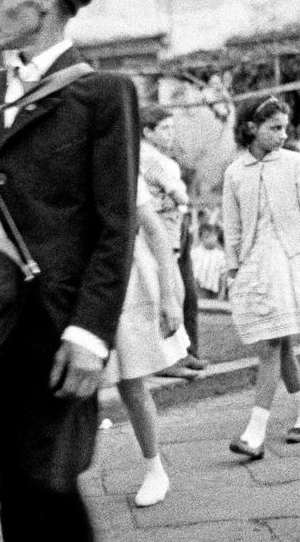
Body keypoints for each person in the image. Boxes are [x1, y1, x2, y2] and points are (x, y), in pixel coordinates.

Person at [0, 0, 139, 541]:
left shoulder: (101, 94)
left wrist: (92, 334)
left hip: (60, 332)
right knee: (17, 486)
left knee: (49, 482)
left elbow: (117, 226)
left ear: (43, 1)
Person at [223, 97, 300, 461]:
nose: (282, 135)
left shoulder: (296, 165)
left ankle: (254, 432)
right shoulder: (235, 172)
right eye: (273, 128)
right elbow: (232, 228)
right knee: (274, 344)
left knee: (272, 346)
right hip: (255, 268)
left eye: (284, 127)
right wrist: (235, 273)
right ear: (250, 128)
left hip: (293, 264)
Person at [104, 177, 189, 507]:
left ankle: (155, 469)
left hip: (126, 278)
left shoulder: (121, 164)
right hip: (73, 280)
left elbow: (154, 231)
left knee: (130, 381)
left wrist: (169, 294)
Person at [139, 104, 207, 375]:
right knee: (172, 293)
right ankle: (166, 360)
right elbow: (181, 196)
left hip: (173, 230)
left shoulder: (157, 157)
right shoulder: (150, 158)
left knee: (183, 293)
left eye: (171, 128)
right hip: (160, 232)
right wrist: (179, 196)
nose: (170, 134)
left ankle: (182, 353)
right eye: (164, 129)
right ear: (147, 132)